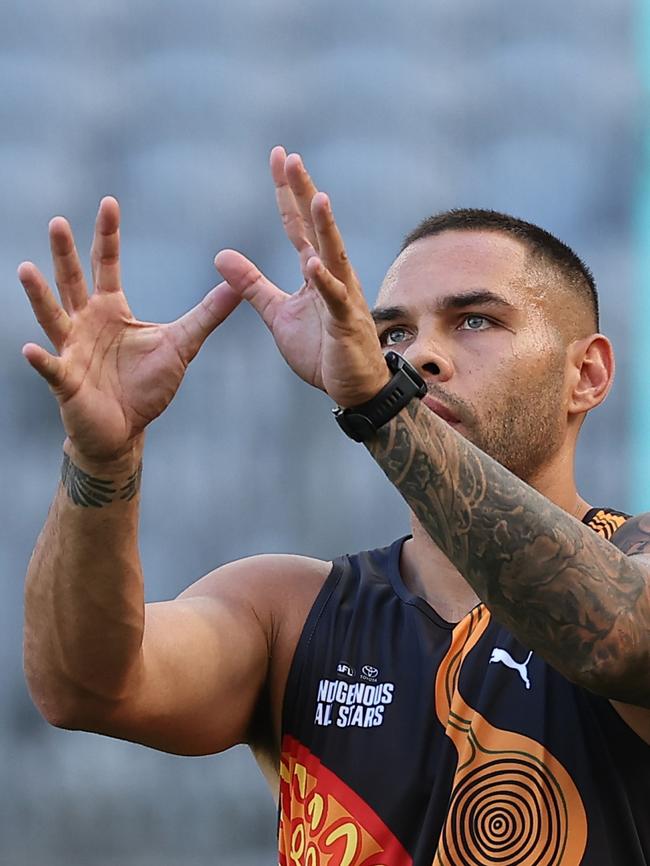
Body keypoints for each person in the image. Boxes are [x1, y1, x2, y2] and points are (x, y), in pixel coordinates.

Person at [21, 146, 650, 866]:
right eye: (393, 335)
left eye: (475, 321)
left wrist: (382, 406)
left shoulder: (634, 566)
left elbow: (615, 638)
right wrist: (102, 460)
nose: (421, 358)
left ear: (588, 373)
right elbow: (81, 687)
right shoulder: (286, 612)